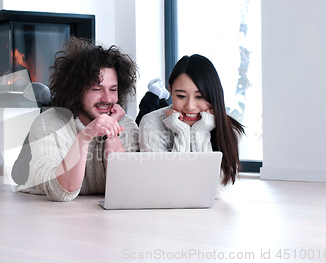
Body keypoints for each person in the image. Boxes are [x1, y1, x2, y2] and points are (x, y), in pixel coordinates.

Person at [18, 37, 139, 202]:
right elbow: (60, 192)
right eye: (97, 89)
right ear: (76, 91)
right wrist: (84, 136)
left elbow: (126, 188)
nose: (107, 98)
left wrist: (111, 134)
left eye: (113, 89)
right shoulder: (48, 123)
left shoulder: (125, 123)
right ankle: (48, 101)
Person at [138, 54, 244, 196]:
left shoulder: (230, 130)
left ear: (213, 95)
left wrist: (199, 132)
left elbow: (217, 191)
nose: (190, 106)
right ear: (170, 90)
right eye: (181, 96)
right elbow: (165, 189)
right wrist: (182, 132)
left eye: (200, 97)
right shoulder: (151, 124)